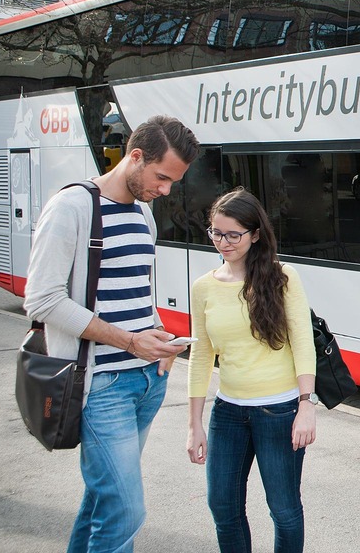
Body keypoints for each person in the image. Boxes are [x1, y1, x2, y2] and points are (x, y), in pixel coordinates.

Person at [23, 115, 201, 553]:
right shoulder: (72, 207)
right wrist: (129, 341)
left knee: (104, 501)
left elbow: (135, 292)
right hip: (100, 385)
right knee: (125, 509)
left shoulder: (143, 213)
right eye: (161, 178)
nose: (165, 191)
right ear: (134, 156)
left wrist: (158, 337)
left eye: (173, 183)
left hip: (148, 381)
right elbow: (41, 301)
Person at [186, 188, 317, 552]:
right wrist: (194, 424)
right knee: (223, 507)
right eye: (215, 232)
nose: (223, 242)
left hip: (279, 411)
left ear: (255, 234)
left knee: (284, 510)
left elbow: (303, 343)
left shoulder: (282, 277)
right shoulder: (204, 287)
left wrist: (306, 405)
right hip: (227, 412)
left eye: (233, 234)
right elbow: (200, 356)